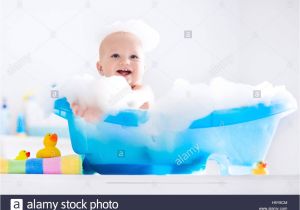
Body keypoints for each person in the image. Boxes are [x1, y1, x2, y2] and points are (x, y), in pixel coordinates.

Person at [71, 20, 159, 122]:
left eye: (134, 56)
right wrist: (82, 102)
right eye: (115, 55)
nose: (125, 61)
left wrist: (100, 109)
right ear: (100, 68)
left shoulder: (143, 92)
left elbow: (131, 101)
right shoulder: (100, 89)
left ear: (143, 68)